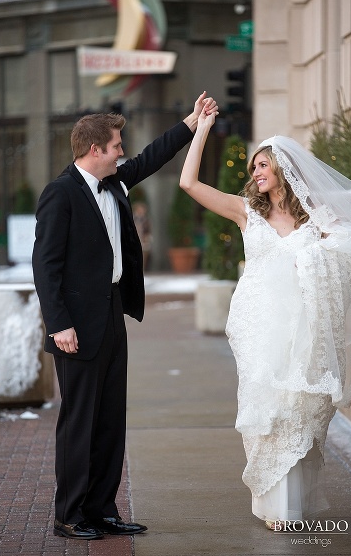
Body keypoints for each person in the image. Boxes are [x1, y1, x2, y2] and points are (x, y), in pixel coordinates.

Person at [32, 92, 217, 541]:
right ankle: (70, 514)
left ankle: (102, 509)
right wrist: (59, 325)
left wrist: (191, 122)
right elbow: (46, 265)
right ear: (95, 150)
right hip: (74, 327)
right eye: (116, 145)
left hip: (112, 314)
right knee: (80, 422)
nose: (122, 152)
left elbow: (152, 157)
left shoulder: (114, 182)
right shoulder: (60, 194)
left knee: (111, 419)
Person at [179, 104, 351, 529]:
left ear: (283, 168)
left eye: (263, 164)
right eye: (253, 166)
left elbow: (348, 252)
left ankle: (290, 506)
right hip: (259, 328)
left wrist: (316, 259)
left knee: (296, 411)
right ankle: (270, 506)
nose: (256, 171)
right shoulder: (247, 211)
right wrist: (203, 129)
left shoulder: (316, 219)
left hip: (303, 332)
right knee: (266, 413)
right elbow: (188, 183)